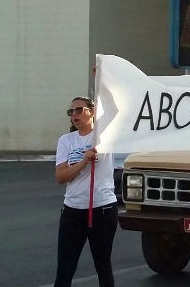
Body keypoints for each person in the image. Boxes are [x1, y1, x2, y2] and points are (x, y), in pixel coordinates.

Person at [54, 96, 118, 287]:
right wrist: (84, 161)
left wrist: (102, 75)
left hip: (102, 210)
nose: (74, 114)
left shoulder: (104, 134)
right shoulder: (66, 141)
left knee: (103, 265)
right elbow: (61, 177)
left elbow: (114, 110)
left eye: (79, 110)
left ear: (92, 112)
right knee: (65, 268)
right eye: (71, 112)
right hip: (73, 211)